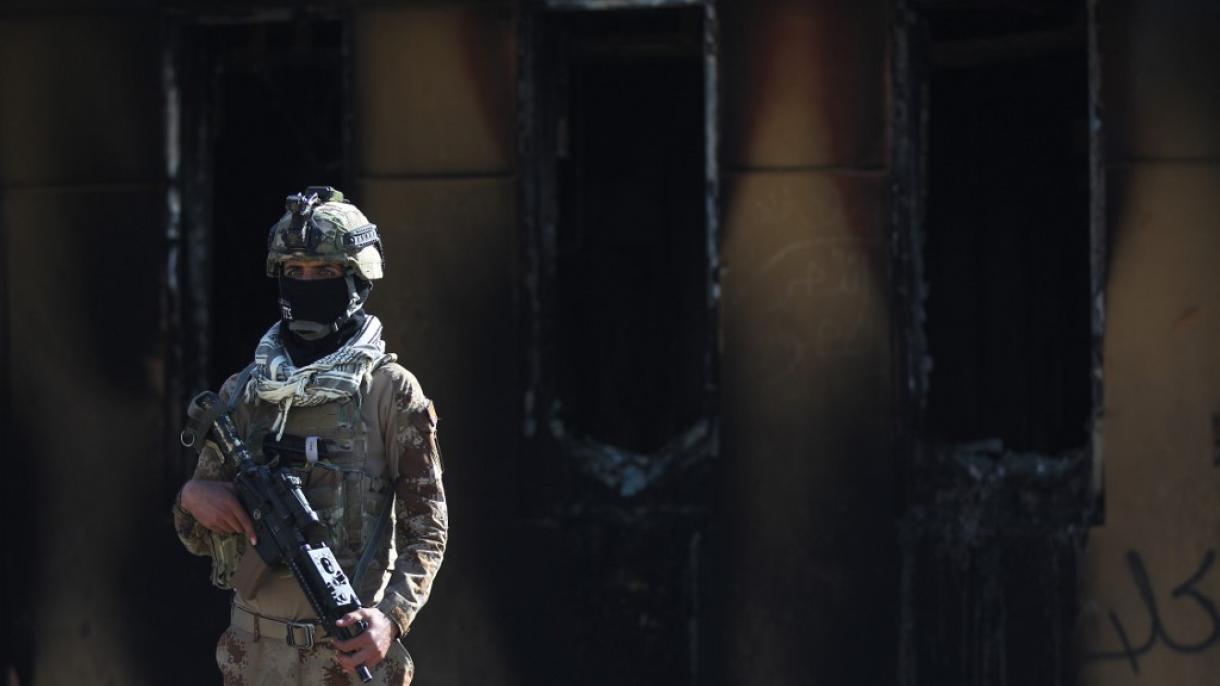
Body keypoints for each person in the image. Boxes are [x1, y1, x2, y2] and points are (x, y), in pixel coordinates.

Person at [172, 187, 447, 685]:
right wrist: (194, 497)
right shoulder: (247, 391)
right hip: (252, 658)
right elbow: (194, 533)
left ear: (357, 280)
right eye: (294, 272)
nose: (306, 283)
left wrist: (391, 618)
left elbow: (427, 529)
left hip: (345, 659)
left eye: (323, 272)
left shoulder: (389, 392)